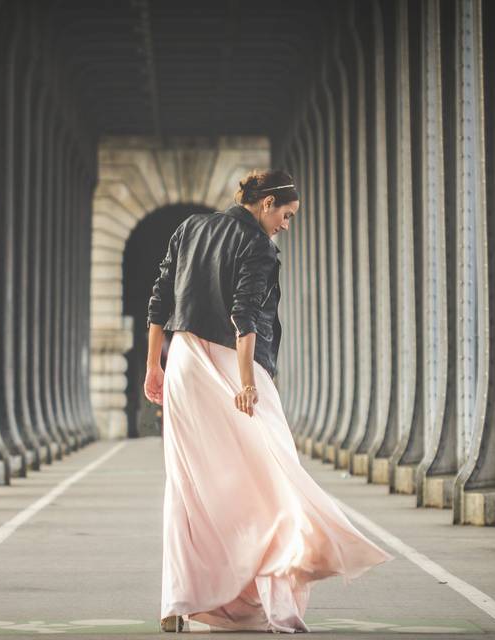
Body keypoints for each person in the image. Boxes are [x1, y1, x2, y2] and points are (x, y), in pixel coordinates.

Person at [143, 170, 394, 634]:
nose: (286, 224)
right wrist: (247, 382)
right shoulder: (258, 245)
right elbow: (245, 313)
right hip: (229, 366)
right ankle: (279, 606)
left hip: (181, 362)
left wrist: (153, 366)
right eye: (286, 214)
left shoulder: (190, 228)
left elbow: (159, 298)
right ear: (267, 203)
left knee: (187, 487)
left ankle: (178, 599)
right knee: (272, 482)